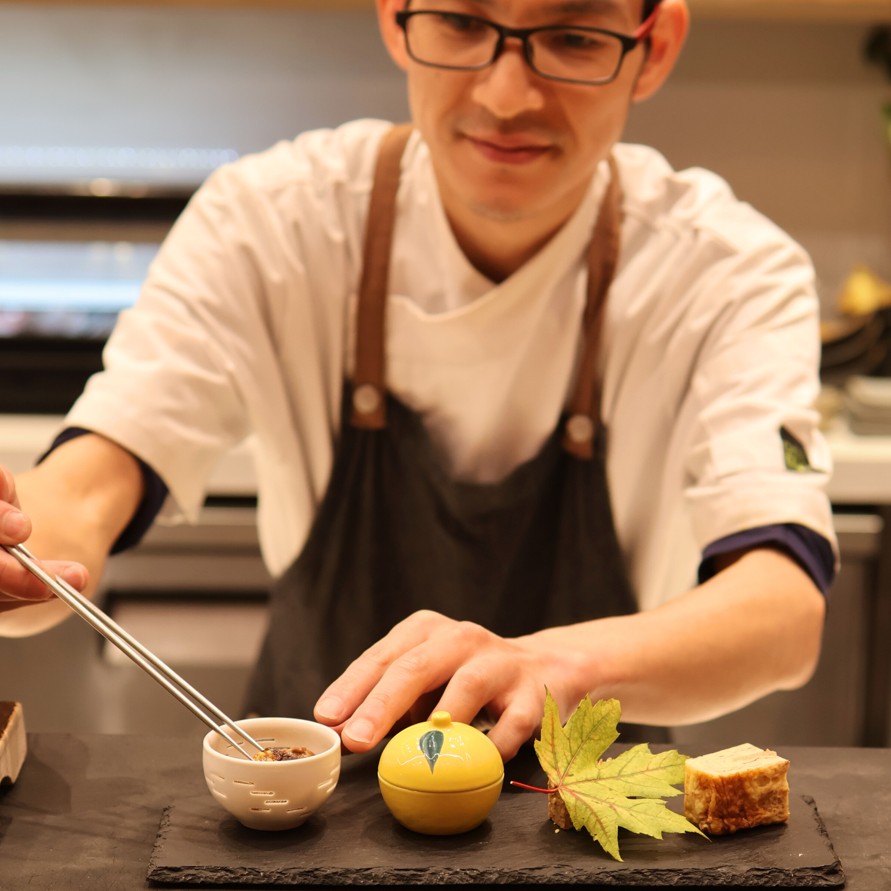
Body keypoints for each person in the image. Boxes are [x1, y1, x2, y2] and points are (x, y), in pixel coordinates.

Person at [0, 0, 836, 762]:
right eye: (462, 25)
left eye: (573, 37)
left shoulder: (727, 272)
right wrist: (21, 552)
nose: (506, 95)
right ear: (395, 18)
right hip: (300, 797)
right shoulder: (273, 220)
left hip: (584, 809)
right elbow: (91, 483)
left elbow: (781, 610)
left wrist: (552, 662)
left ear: (652, 49)